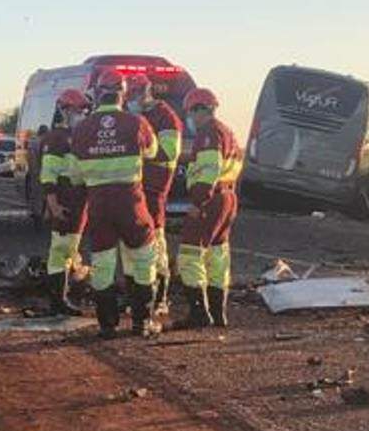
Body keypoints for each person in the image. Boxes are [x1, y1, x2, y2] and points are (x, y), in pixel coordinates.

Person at [70, 71, 162, 338]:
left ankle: (107, 326)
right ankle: (142, 323)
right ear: (123, 93)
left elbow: (75, 175)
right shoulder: (137, 123)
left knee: (102, 263)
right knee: (144, 259)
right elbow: (153, 151)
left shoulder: (82, 129)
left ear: (98, 94)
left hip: (98, 205)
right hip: (131, 202)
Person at [174, 88, 243, 328]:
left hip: (210, 199)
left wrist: (198, 201)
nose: (191, 119)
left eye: (192, 114)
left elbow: (209, 169)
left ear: (199, 109)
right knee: (218, 255)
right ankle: (217, 313)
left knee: (190, 254)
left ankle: (198, 313)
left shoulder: (208, 134)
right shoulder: (228, 132)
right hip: (228, 197)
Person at [127, 76, 182, 318]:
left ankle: (160, 298)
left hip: (154, 190)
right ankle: (137, 297)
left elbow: (169, 151)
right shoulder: (132, 115)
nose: (133, 99)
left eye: (137, 93)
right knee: (132, 246)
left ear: (148, 91)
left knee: (156, 243)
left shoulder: (166, 117)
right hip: (134, 190)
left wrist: (142, 146)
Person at [38, 89, 93, 315]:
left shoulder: (77, 136)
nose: (83, 114)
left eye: (84, 110)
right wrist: (53, 205)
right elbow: (48, 175)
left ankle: (66, 295)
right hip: (66, 201)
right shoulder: (57, 138)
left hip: (78, 200)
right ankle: (59, 301)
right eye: (79, 110)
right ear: (65, 110)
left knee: (68, 250)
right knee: (61, 250)